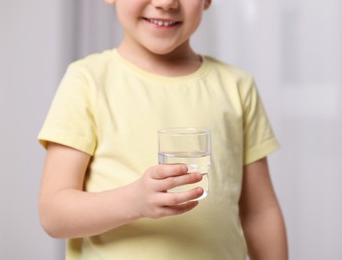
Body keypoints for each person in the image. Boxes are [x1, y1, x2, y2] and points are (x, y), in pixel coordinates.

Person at [38, 0, 288, 259]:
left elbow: (259, 213)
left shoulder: (237, 86)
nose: (165, 2)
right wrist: (134, 201)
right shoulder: (87, 81)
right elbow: (54, 214)